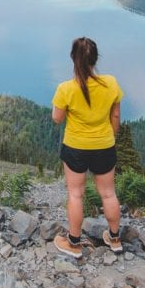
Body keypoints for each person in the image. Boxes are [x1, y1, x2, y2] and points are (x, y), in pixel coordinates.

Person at [51, 36, 124, 259]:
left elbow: (57, 118)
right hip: (104, 146)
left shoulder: (66, 88)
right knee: (108, 194)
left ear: (73, 59)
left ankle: (73, 243)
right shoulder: (111, 83)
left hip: (76, 147)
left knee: (76, 194)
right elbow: (116, 115)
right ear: (95, 58)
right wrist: (110, 137)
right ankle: (114, 239)